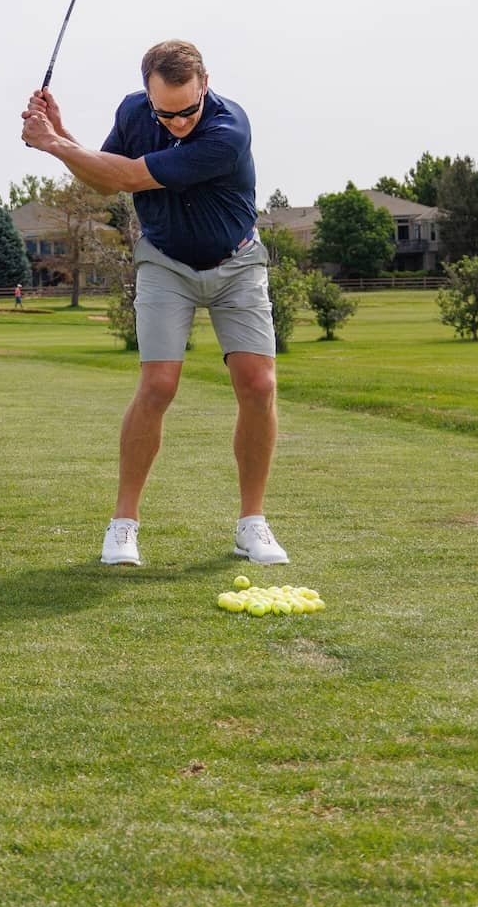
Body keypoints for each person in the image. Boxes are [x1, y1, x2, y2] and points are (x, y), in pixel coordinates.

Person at [18, 39, 288, 568]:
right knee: (158, 384)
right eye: (166, 113)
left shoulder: (227, 129)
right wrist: (64, 135)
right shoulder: (133, 113)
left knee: (259, 384)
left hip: (236, 264)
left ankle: (251, 524)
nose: (179, 122)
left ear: (204, 85)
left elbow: (132, 176)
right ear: (147, 94)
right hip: (165, 262)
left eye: (188, 109)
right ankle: (123, 524)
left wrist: (51, 143)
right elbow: (102, 177)